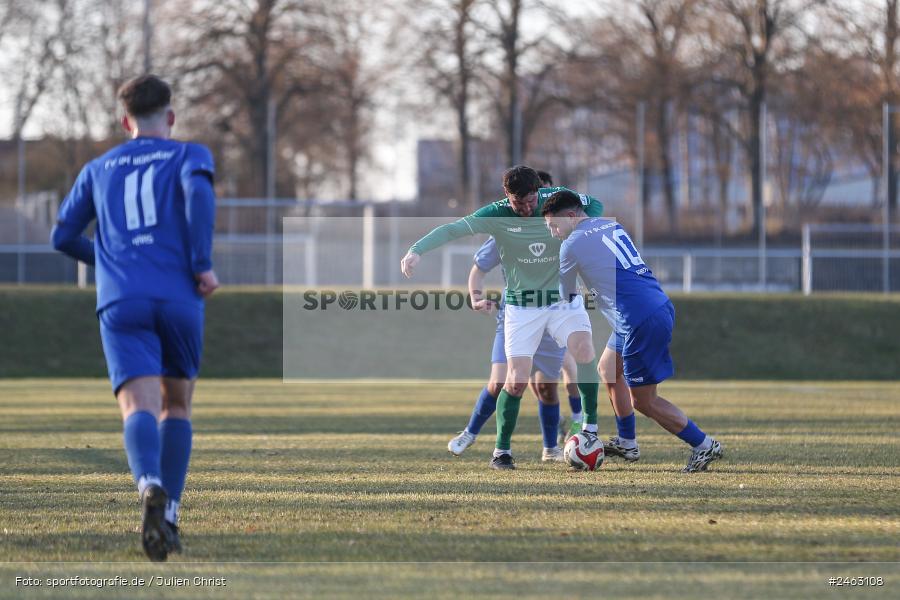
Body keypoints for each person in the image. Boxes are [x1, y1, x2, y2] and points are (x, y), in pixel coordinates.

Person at [50, 74, 218, 559]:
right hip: (179, 295)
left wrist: (108, 261)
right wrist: (201, 263)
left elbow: (62, 236)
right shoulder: (189, 154)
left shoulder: (99, 168)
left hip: (123, 298)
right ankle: (169, 515)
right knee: (177, 406)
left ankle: (147, 483)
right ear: (170, 117)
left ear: (125, 121)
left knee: (137, 406)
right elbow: (201, 198)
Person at [402, 165, 603, 470]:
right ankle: (501, 451)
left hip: (564, 300)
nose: (525, 208)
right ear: (506, 196)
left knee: (585, 351)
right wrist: (417, 250)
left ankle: (589, 429)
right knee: (516, 380)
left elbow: (596, 205)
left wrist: (579, 225)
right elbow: (454, 229)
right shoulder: (495, 214)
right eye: (517, 203)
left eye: (530, 201)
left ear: (538, 192)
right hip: (522, 308)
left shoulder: (554, 199)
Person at [541, 190, 724, 472]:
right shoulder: (610, 224)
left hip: (639, 318)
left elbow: (565, 296)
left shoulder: (571, 245)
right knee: (608, 370)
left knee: (644, 401)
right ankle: (627, 442)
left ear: (571, 216)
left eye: (554, 225)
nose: (553, 233)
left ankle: (703, 444)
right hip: (649, 306)